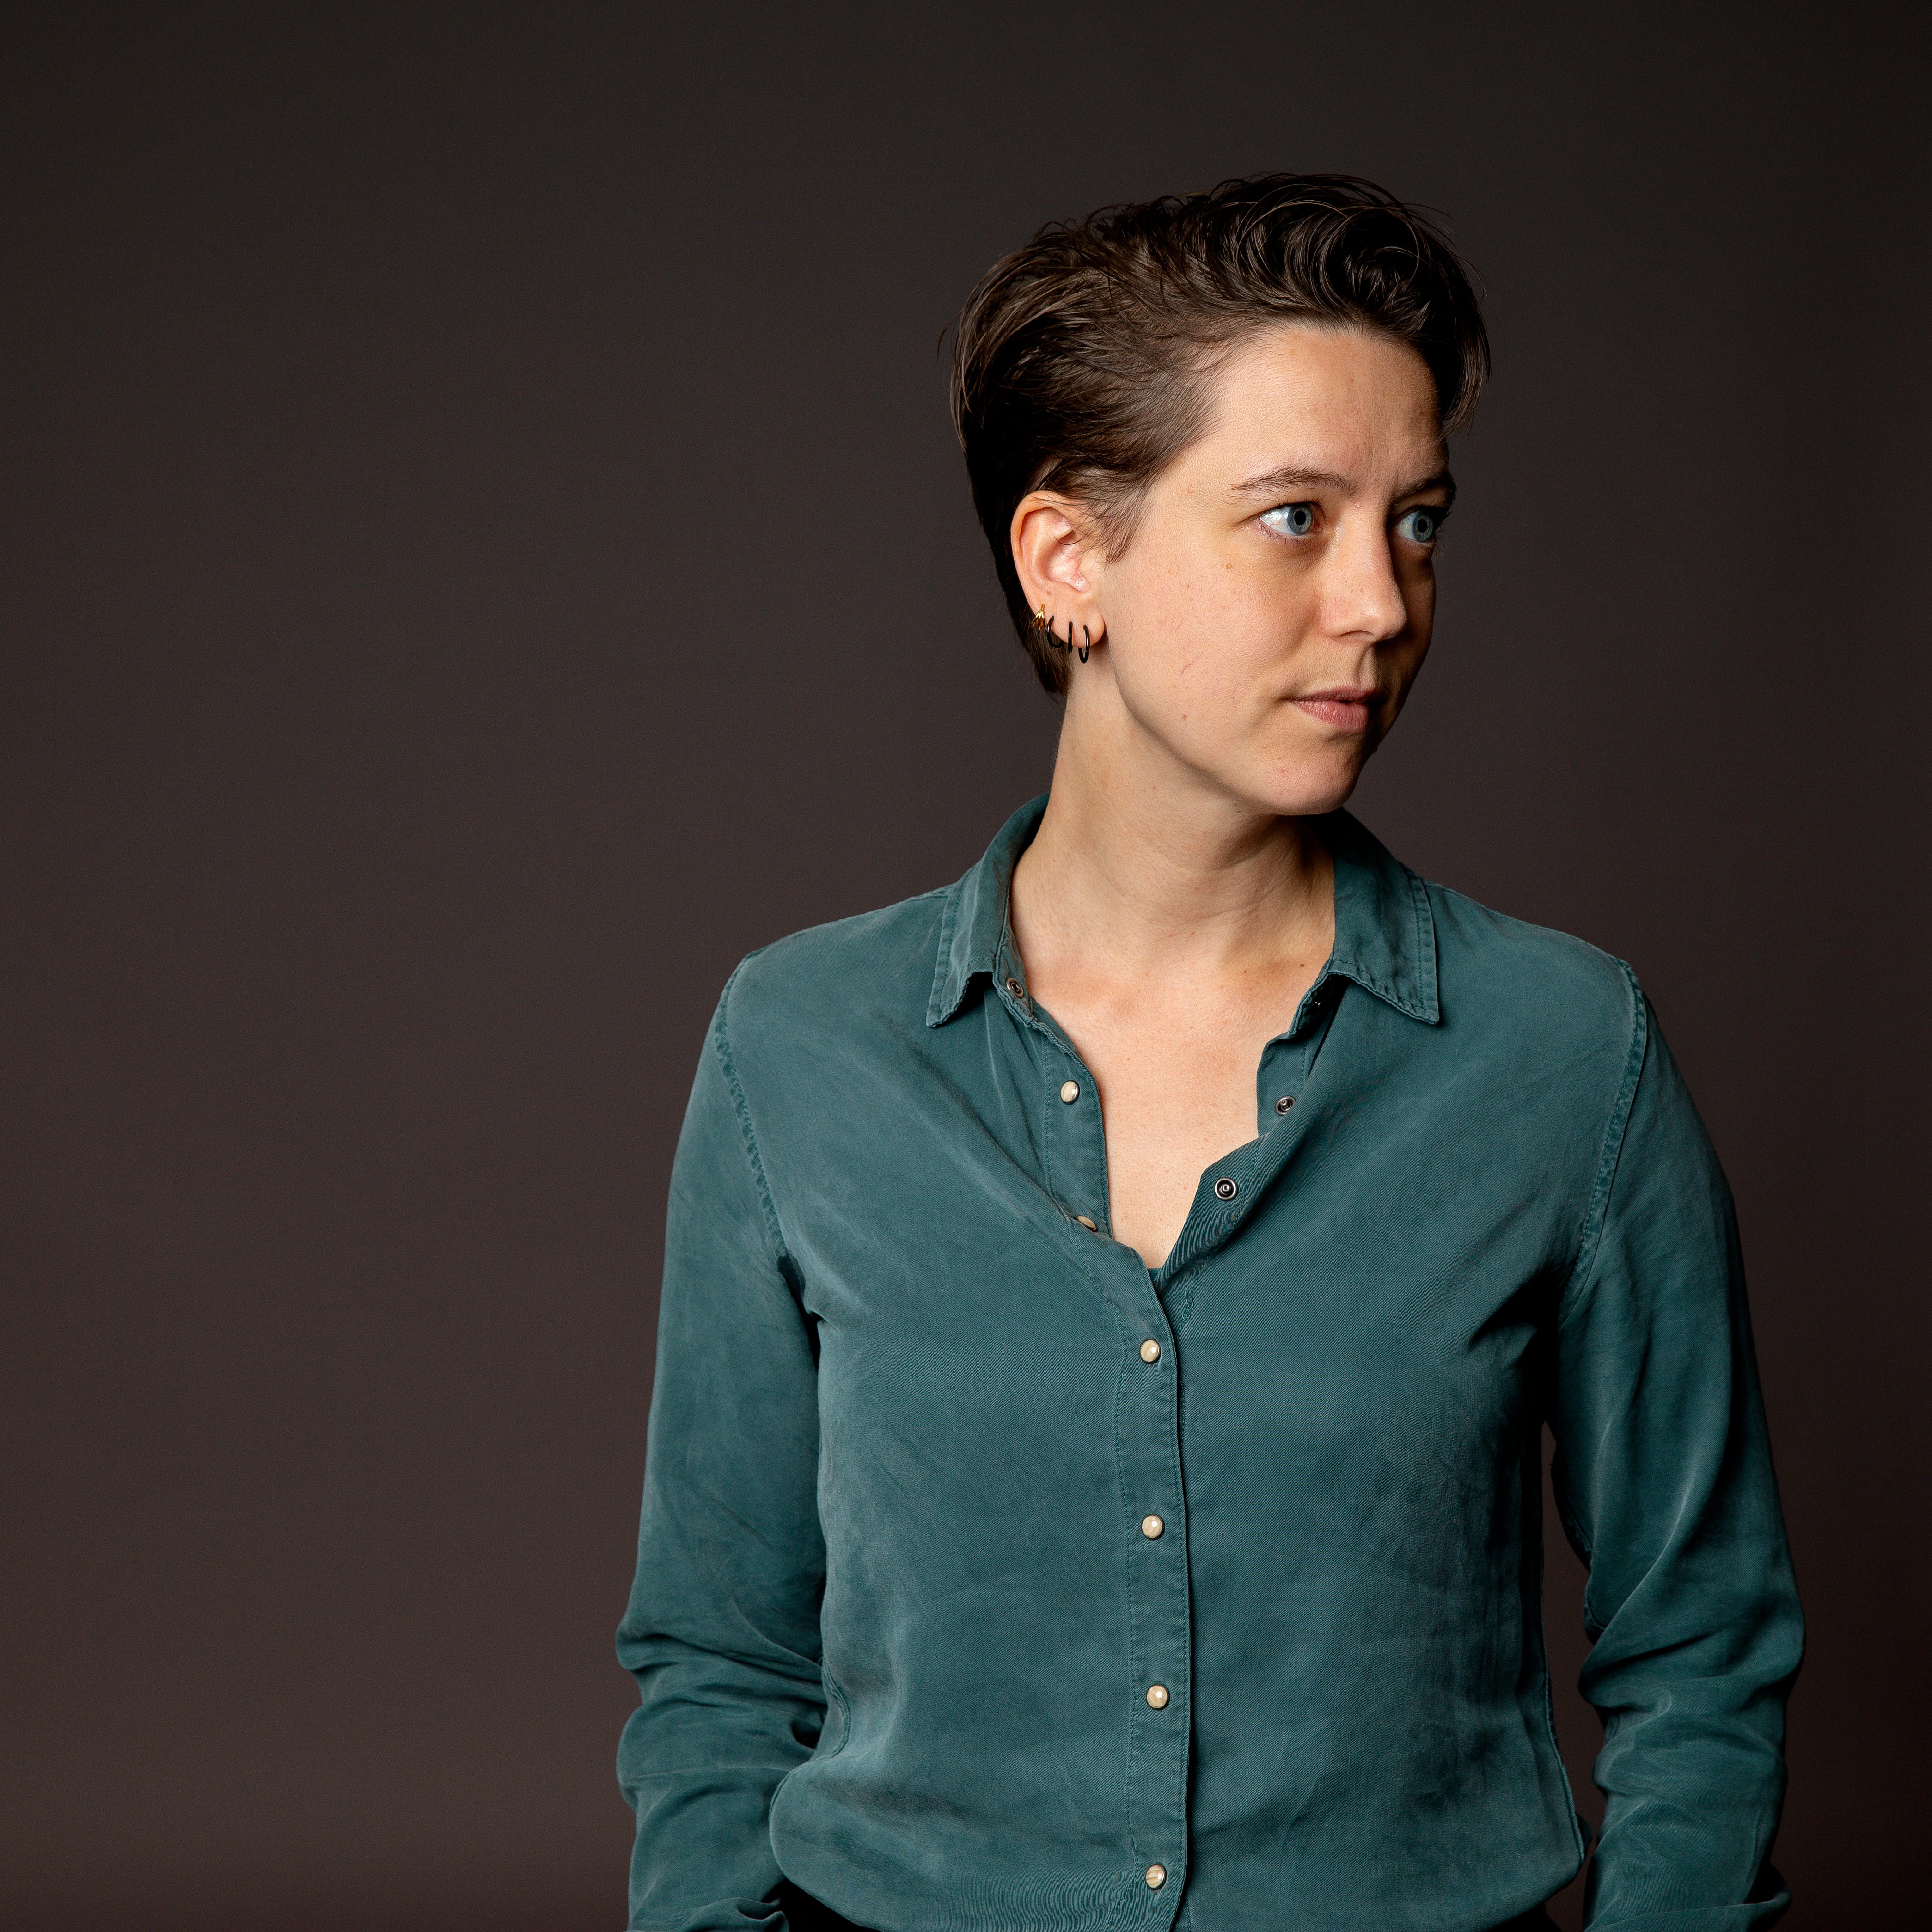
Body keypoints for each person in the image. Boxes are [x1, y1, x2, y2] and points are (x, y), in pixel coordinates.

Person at [615, 175, 1802, 1932]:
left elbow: (1701, 1651)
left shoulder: (1565, 1053)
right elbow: (719, 1663)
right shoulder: (800, 1044)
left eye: (1415, 522)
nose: (1380, 602)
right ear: (1066, 562)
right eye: (1293, 518)